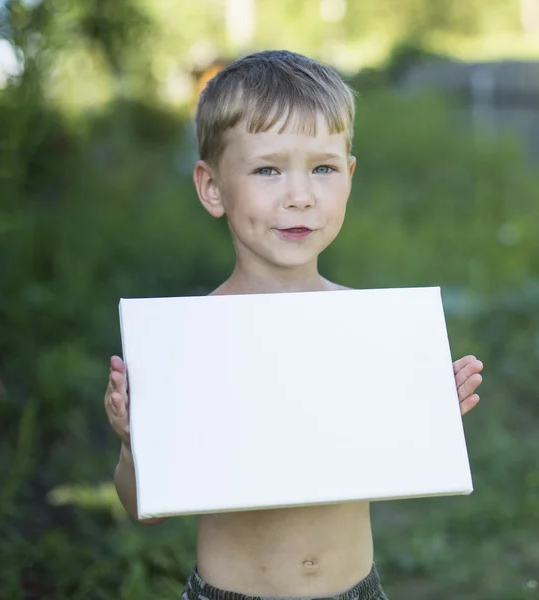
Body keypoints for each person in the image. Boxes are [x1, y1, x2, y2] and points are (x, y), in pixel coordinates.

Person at [103, 50, 484, 600]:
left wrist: (425, 414)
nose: (300, 196)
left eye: (323, 167)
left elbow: (382, 451)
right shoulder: (188, 342)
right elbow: (145, 510)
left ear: (349, 177)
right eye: (267, 169)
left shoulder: (370, 332)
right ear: (212, 187)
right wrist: (134, 444)